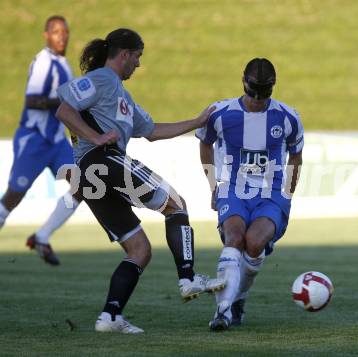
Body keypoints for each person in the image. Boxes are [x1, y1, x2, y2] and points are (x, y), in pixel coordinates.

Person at [55, 28, 225, 334]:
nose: (138, 64)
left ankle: (110, 317)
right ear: (124, 55)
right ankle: (188, 278)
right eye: (137, 57)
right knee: (176, 204)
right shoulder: (103, 79)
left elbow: (152, 130)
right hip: (102, 160)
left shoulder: (122, 96)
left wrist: (196, 122)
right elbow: (64, 109)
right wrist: (96, 137)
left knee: (139, 251)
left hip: (91, 178)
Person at [196, 58, 304, 331]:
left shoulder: (288, 117)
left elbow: (296, 156)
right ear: (243, 81)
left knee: (254, 244)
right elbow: (205, 145)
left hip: (271, 195)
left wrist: (288, 195)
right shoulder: (220, 114)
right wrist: (213, 185)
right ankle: (222, 311)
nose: (257, 99)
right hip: (233, 190)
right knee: (234, 238)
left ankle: (239, 299)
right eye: (253, 91)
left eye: (263, 93)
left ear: (273, 87)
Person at [0, 15, 82, 266]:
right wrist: (67, 100)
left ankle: (42, 236)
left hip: (56, 142)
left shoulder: (63, 64)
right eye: (56, 32)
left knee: (84, 185)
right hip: (34, 138)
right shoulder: (43, 62)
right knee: (14, 195)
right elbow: (32, 101)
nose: (62, 36)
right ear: (46, 35)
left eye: (65, 31)